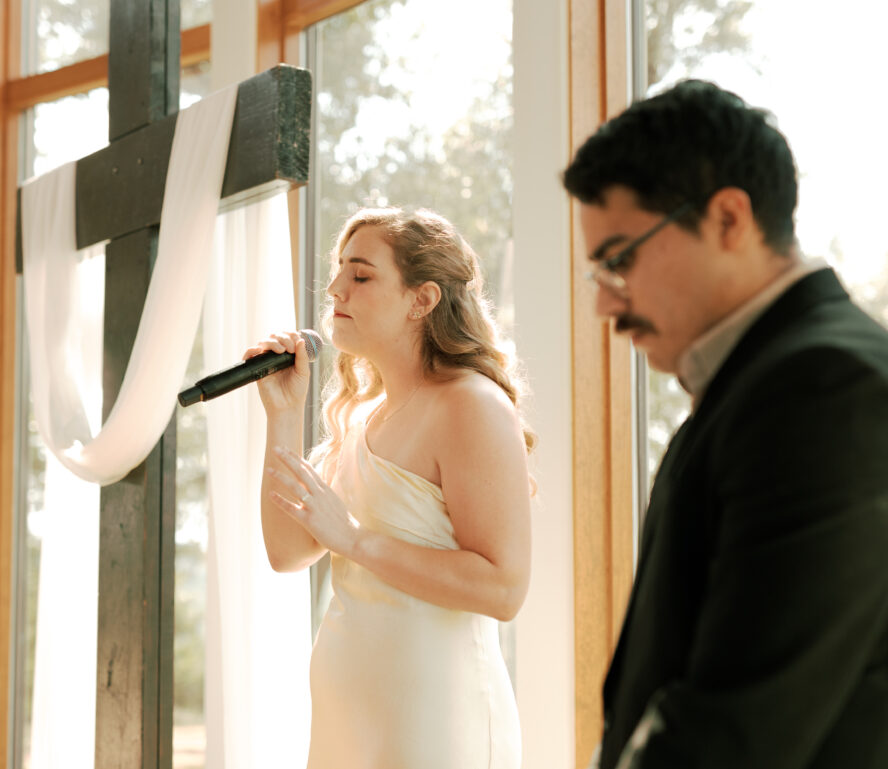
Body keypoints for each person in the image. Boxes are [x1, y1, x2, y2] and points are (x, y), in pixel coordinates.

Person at [563, 79, 888, 769]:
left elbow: (738, 728)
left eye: (619, 260)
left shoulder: (827, 387)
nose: (606, 306)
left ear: (729, 219)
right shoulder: (755, 378)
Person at [244, 207, 533, 769]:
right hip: (349, 723)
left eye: (360, 275)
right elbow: (287, 552)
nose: (334, 289)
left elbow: (503, 588)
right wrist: (285, 414)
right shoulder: (362, 418)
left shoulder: (469, 405)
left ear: (421, 299)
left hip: (435, 725)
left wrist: (354, 541)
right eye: (337, 272)